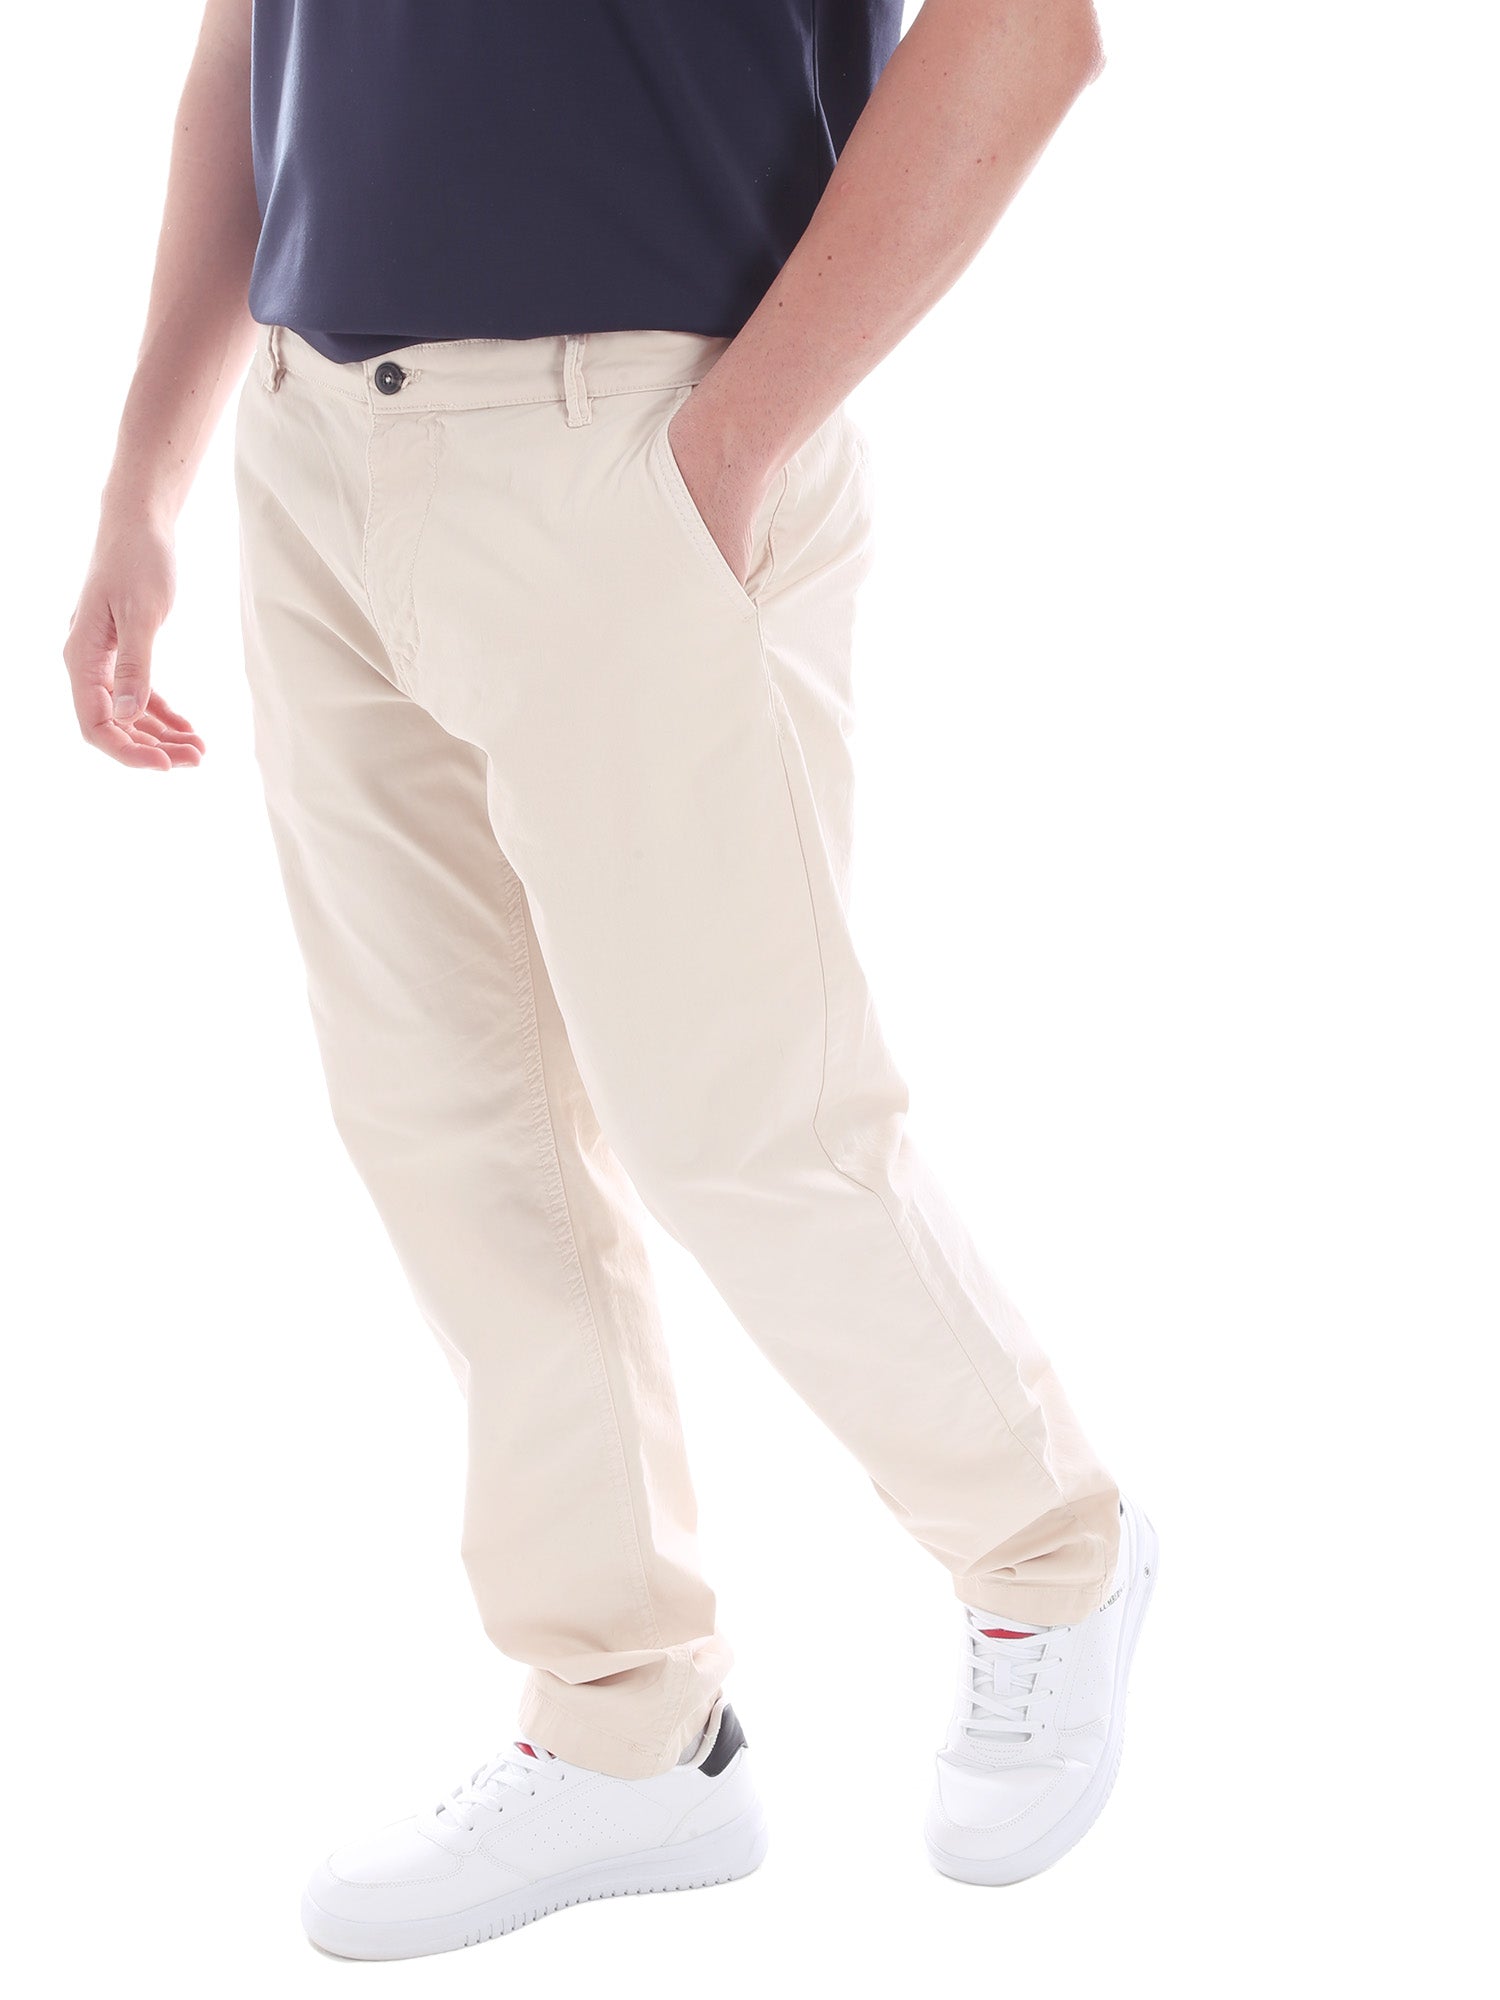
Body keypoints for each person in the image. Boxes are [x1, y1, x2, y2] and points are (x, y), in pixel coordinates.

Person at [64, 0, 1156, 1961]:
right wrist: (145, 479)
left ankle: (1050, 1555)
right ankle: (623, 1725)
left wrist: (728, 447)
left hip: (635, 431)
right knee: (449, 1130)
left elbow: (1027, 30)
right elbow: (245, 44)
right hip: (316, 441)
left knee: (741, 1116)